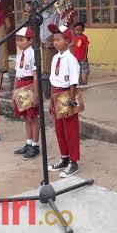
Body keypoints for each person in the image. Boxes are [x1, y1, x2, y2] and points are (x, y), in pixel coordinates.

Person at [47, 24, 81, 178]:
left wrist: (71, 100)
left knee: (70, 130)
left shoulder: (71, 59)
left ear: (67, 41)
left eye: (58, 39)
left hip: (67, 95)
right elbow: (54, 81)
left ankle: (73, 162)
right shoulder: (55, 58)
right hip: (56, 94)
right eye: (54, 39)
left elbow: (73, 82)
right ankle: (64, 158)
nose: (55, 42)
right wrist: (51, 102)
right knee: (59, 129)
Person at [11, 27, 40, 160]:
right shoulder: (19, 55)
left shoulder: (33, 54)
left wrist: (35, 94)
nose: (19, 43)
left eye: (21, 40)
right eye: (17, 40)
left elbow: (35, 75)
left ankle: (35, 145)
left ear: (30, 40)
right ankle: (28, 143)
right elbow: (17, 75)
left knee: (33, 117)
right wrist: (14, 92)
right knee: (25, 117)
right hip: (21, 85)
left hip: (29, 85)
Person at [40, 0, 60, 76]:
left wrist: (52, 38)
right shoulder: (41, 14)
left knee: (51, 57)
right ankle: (45, 72)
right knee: (45, 57)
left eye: (47, 3)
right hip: (43, 39)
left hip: (51, 39)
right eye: (44, 3)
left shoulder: (55, 14)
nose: (45, 5)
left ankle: (51, 73)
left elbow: (57, 26)